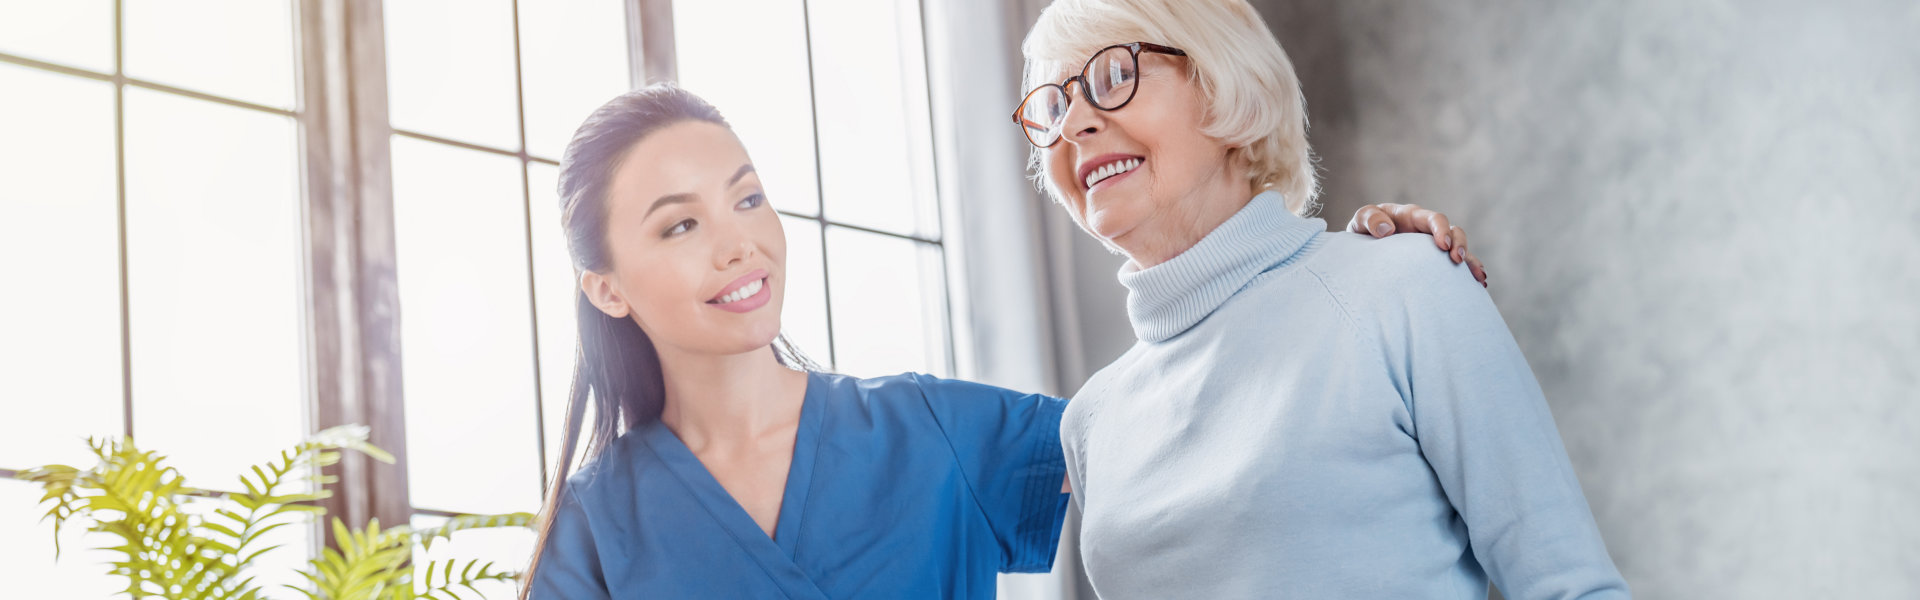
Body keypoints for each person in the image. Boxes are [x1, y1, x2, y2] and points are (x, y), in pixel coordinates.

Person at [520, 83, 1482, 598]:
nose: (739, 241)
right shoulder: (597, 528)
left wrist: (1330, 275)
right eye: (678, 225)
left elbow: (1209, 434)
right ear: (603, 286)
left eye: (748, 196)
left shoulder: (938, 433)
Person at [1013, 0, 1629, 598]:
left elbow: (1569, 585)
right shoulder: (1091, 419)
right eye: (1055, 104)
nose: (1072, 124)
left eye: (1115, 75)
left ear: (1225, 81)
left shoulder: (1405, 286)